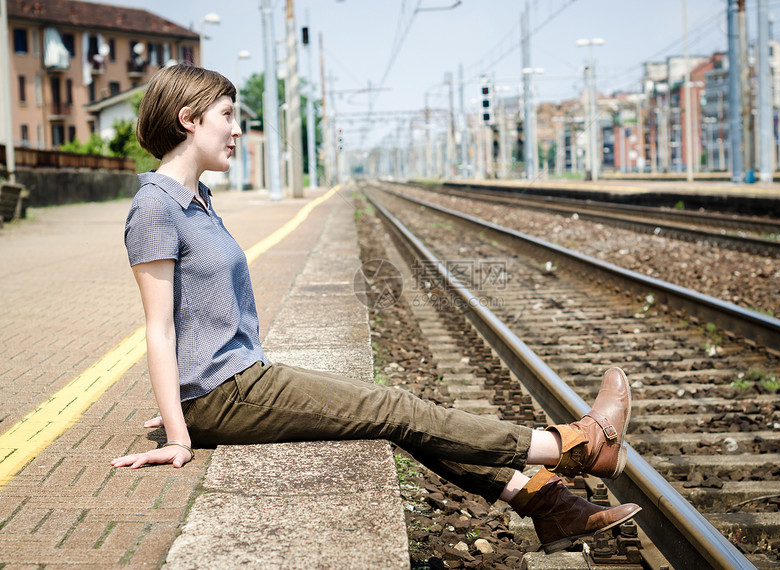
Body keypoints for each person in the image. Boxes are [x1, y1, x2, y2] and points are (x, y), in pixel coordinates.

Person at [111, 63, 641, 554]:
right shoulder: (156, 207)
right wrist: (183, 430)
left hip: (237, 383)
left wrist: (184, 399)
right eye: (227, 115)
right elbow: (157, 328)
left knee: (390, 416)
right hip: (228, 392)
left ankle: (550, 505)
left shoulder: (198, 199)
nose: (236, 130)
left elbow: (195, 319)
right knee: (395, 408)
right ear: (188, 119)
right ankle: (570, 445)